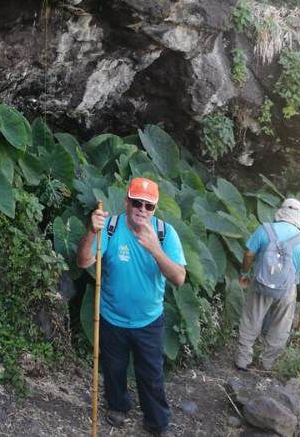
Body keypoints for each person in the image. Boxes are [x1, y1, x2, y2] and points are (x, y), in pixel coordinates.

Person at [76, 177, 186, 436]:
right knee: (114, 369)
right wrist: (91, 231)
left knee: (151, 374)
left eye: (149, 206)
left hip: (148, 320)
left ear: (155, 209)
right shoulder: (110, 228)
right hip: (112, 317)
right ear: (127, 201)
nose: (142, 210)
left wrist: (155, 250)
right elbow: (83, 262)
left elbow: (179, 278)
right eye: (137, 202)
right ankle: (117, 406)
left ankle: (157, 422)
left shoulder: (164, 233)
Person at [236, 198, 300, 371]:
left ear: (281, 211)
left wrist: (244, 273)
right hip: (287, 290)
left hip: (260, 283)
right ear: (299, 217)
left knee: (251, 319)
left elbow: (249, 254)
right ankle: (267, 365)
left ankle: (243, 361)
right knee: (280, 327)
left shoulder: (264, 229)